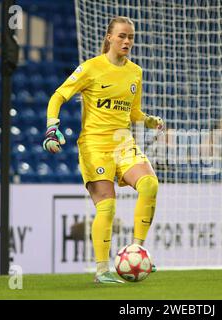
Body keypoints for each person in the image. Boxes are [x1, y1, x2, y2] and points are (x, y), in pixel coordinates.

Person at [42, 16, 164, 283]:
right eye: (122, 36)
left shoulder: (135, 72)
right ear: (109, 37)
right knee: (107, 206)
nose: (127, 41)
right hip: (95, 144)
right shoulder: (90, 68)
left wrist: (146, 119)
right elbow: (58, 96)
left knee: (149, 185)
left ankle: (136, 250)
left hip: (123, 142)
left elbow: (131, 110)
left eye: (130, 37)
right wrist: (52, 127)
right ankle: (101, 270)